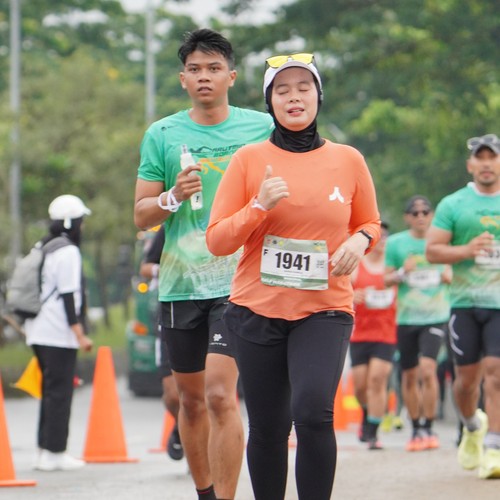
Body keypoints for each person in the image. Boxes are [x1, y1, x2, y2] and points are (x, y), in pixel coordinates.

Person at [206, 53, 380, 500]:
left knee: (313, 413)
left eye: (304, 87)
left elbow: (369, 222)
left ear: (318, 96)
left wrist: (360, 241)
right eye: (281, 90)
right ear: (270, 103)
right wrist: (258, 206)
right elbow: (218, 240)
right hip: (256, 309)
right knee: (268, 426)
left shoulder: (348, 159)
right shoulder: (249, 159)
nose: (294, 97)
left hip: (325, 309)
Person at [133, 29, 273, 500]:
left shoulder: (261, 128)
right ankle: (206, 494)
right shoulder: (162, 134)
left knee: (218, 393)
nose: (204, 77)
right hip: (180, 284)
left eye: (214, 68)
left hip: (239, 283)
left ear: (231, 76)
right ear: (183, 79)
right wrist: (172, 196)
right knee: (190, 402)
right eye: (194, 69)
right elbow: (141, 215)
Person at [426, 133, 500, 479]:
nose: (486, 164)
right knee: (466, 382)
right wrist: (467, 250)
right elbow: (432, 251)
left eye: (492, 157)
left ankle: (494, 448)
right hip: (464, 303)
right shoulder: (453, 204)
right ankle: (472, 426)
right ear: (470, 165)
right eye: (479, 158)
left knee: (496, 373)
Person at [25, 194, 93, 471]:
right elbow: (68, 296)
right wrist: (80, 334)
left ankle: (44, 450)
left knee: (50, 391)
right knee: (60, 392)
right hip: (56, 332)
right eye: (80, 221)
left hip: (38, 330)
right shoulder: (68, 251)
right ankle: (55, 453)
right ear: (70, 222)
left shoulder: (44, 245)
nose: (82, 226)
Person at [384, 195, 452, 452]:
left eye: (425, 212)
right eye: (415, 212)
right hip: (406, 318)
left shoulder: (442, 240)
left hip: (435, 315)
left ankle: (429, 427)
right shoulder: (396, 243)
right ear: (407, 217)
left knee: (428, 369)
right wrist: (403, 272)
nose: (421, 216)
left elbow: (456, 268)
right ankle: (415, 429)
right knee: (410, 374)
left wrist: (450, 275)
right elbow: (385, 280)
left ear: (432, 215)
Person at [350, 222, 397, 450]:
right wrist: (353, 295)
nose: (383, 242)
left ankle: (372, 432)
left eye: (386, 238)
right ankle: (367, 413)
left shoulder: (394, 267)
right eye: (380, 237)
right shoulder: (358, 265)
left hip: (386, 332)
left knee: (377, 380)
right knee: (360, 386)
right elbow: (341, 289)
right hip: (360, 333)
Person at [139, 225, 183, 461]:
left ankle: (199, 446)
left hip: (211, 315)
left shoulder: (218, 220)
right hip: (172, 315)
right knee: (173, 395)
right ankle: (181, 426)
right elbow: (145, 267)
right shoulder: (171, 227)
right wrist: (164, 269)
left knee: (206, 393)